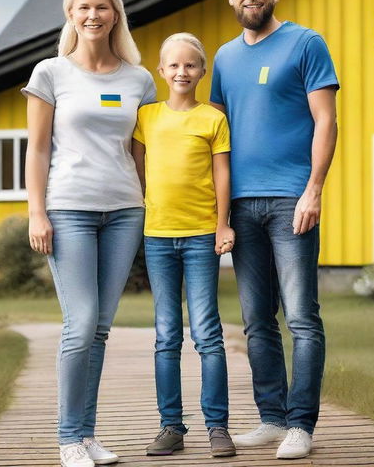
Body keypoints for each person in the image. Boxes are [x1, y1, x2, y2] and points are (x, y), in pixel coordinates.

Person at [22, 0, 156, 467]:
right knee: (79, 324)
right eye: (83, 7)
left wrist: (152, 205)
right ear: (70, 15)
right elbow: (36, 151)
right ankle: (67, 439)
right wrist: (37, 212)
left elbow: (142, 154)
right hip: (68, 209)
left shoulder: (138, 79)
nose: (93, 15)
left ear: (115, 13)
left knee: (99, 328)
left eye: (101, 7)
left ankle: (87, 433)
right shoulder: (50, 73)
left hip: (124, 212)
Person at [210, 0, 339, 460]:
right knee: (257, 319)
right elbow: (218, 136)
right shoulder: (222, 58)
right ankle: (271, 418)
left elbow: (325, 121)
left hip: (291, 200)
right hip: (241, 203)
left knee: (302, 316)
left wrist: (313, 189)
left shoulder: (306, 43)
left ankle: (301, 426)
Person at [132, 33, 237, 459]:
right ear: (161, 71)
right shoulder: (147, 117)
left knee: (208, 333)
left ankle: (217, 427)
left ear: (201, 71)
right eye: (173, 65)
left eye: (190, 65)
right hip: (158, 236)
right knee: (166, 334)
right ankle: (171, 426)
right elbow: (137, 168)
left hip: (199, 236)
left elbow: (223, 175)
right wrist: (148, 207)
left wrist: (221, 225)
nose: (181, 72)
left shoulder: (212, 119)